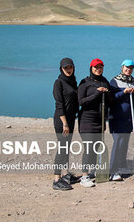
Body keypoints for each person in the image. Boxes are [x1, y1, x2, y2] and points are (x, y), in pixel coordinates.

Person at [77, 58, 113, 187]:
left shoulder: (104, 81)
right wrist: (97, 94)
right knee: (88, 148)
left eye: (100, 67)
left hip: (100, 120)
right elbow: (81, 101)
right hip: (87, 120)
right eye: (96, 67)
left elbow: (110, 101)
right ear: (91, 68)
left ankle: (93, 172)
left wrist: (107, 93)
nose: (98, 69)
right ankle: (84, 177)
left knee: (96, 148)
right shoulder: (85, 82)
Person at [108, 59, 134, 181]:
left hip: (128, 118)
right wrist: (124, 92)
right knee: (118, 143)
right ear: (122, 68)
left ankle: (121, 166)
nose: (129, 70)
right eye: (127, 67)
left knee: (125, 143)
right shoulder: (114, 81)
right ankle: (112, 170)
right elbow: (111, 98)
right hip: (116, 117)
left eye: (131, 68)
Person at [52, 58, 79, 190]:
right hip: (61, 120)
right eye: (65, 68)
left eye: (70, 67)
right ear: (61, 69)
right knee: (62, 148)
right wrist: (65, 124)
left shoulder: (73, 81)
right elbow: (59, 104)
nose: (68, 70)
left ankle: (66, 175)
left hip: (71, 119)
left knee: (66, 148)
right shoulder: (59, 83)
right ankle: (56, 180)